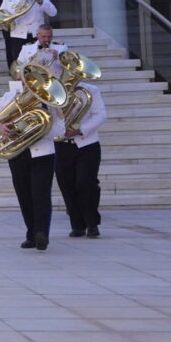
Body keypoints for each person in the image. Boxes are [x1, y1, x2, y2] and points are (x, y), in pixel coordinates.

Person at [0, 76, 62, 250]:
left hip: (43, 153)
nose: (32, 85)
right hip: (18, 153)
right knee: (24, 194)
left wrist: (36, 131)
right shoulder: (10, 98)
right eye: (29, 80)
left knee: (41, 194)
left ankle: (42, 233)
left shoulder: (53, 101)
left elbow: (60, 129)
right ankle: (31, 233)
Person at [54, 65, 108, 240]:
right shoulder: (53, 93)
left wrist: (80, 129)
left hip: (87, 144)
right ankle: (77, 224)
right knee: (66, 185)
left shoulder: (91, 91)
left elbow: (100, 115)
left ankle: (92, 223)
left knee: (87, 183)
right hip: (62, 145)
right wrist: (62, 131)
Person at [0, 0, 57, 68]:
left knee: (38, 66)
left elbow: (53, 12)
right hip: (17, 36)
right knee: (18, 66)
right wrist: (10, 20)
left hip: (36, 36)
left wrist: (40, 1)